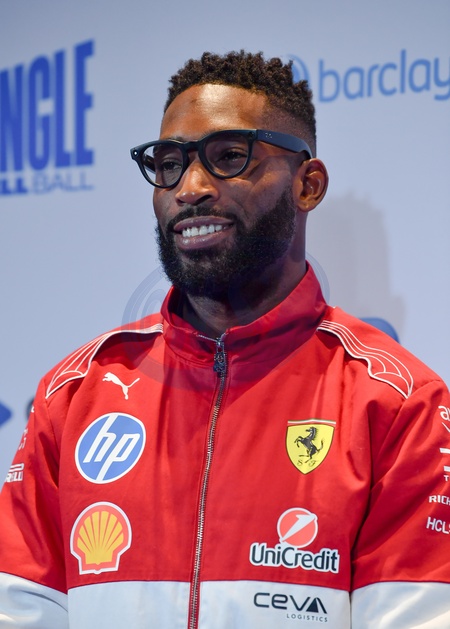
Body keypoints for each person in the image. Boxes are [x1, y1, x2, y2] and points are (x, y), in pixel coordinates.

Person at [0, 51, 449, 629]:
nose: (189, 188)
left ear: (308, 185)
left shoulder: (399, 402)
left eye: (229, 157)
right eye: (169, 164)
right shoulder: (74, 394)